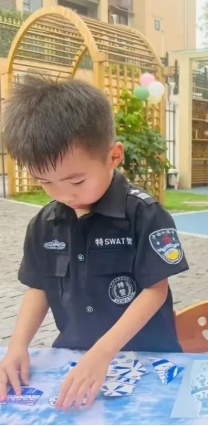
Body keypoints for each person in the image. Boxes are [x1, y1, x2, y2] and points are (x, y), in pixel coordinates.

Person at [0, 76, 189, 410]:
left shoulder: (144, 214)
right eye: (46, 182)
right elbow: (39, 288)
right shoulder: (45, 224)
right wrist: (18, 345)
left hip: (148, 359)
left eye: (76, 181)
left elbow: (155, 290)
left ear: (113, 156)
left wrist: (103, 353)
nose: (64, 195)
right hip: (76, 359)